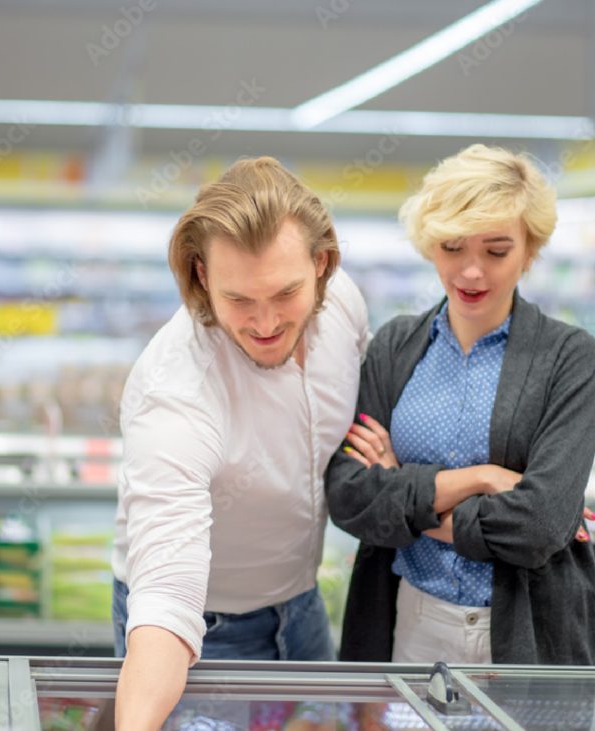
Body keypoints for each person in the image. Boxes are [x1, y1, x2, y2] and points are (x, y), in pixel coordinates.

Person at [111, 157, 369, 730]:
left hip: (304, 608)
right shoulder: (176, 392)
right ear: (202, 275)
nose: (266, 321)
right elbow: (165, 596)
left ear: (321, 265)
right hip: (205, 635)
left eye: (286, 292)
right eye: (240, 300)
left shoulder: (344, 303)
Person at [325, 144, 595, 665]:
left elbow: (541, 524)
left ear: (530, 249)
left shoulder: (569, 359)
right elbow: (350, 495)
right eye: (453, 247)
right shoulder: (394, 347)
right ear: (430, 243)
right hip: (405, 620)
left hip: (526, 635)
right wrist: (480, 478)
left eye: (497, 251)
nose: (472, 272)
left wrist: (406, 497)